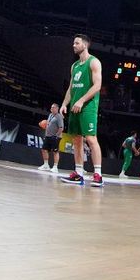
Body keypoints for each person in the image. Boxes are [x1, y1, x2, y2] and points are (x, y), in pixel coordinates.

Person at [59, 34, 104, 187]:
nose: (73, 45)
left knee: (91, 139)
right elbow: (71, 89)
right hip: (74, 107)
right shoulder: (74, 66)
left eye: (76, 43)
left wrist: (82, 100)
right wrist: (64, 104)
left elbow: (97, 86)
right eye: (73, 43)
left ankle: (98, 175)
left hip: (88, 107)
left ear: (84, 45)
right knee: (76, 141)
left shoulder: (94, 62)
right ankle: (78, 174)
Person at [41, 103, 64, 172]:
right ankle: (46, 165)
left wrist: (56, 136)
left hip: (55, 137)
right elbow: (48, 125)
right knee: (44, 150)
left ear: (57, 108)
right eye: (51, 107)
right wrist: (46, 135)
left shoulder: (59, 117)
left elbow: (61, 128)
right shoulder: (50, 115)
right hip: (48, 136)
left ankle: (55, 167)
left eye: (53, 107)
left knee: (55, 151)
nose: (51, 109)